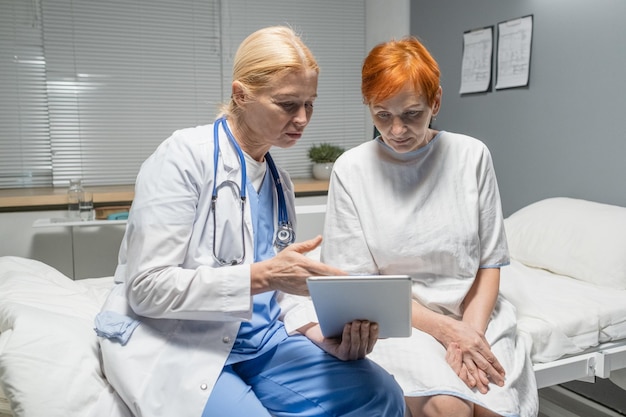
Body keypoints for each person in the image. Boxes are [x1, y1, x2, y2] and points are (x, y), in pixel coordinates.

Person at [94, 26, 405, 417]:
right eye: (288, 104)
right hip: (181, 343)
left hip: (262, 344)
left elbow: (281, 293)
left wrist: (322, 337)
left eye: (310, 103)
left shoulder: (279, 181)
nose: (303, 118)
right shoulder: (182, 158)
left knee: (380, 393)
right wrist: (264, 275)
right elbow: (146, 288)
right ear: (241, 94)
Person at [320, 37, 539, 417]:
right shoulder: (351, 170)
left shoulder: (472, 156)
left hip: (475, 313)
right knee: (448, 407)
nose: (397, 130)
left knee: (491, 408)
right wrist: (446, 331)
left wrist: (470, 333)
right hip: (401, 320)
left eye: (412, 114)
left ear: (435, 102)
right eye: (382, 115)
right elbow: (358, 284)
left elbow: (490, 263)